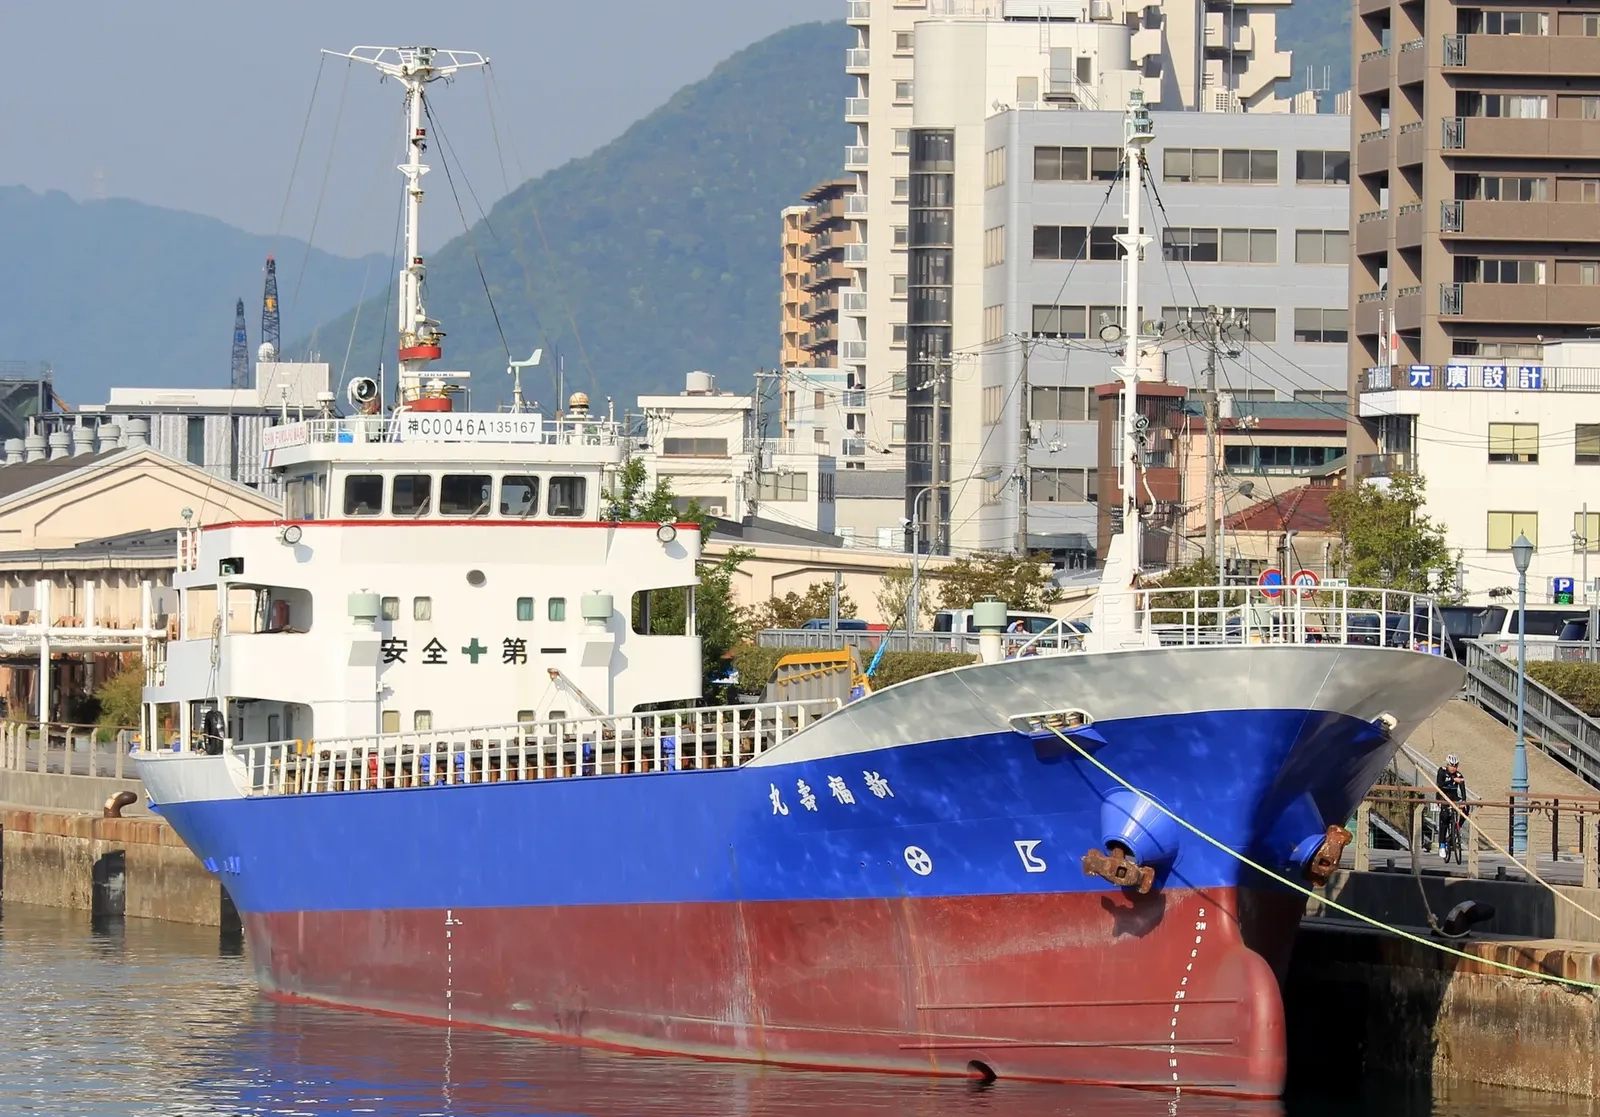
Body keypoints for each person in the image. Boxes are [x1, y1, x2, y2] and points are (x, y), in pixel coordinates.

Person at [1436, 753, 1469, 858]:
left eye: (1455, 766)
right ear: (1447, 765)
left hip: (1454, 796)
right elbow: (1440, 784)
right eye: (1451, 766)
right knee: (1445, 817)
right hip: (1443, 796)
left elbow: (1463, 792)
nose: (1453, 768)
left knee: (1467, 808)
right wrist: (1453, 780)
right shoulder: (1442, 771)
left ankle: (1456, 828)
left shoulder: (1459, 775)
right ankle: (1442, 845)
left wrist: (1463, 801)